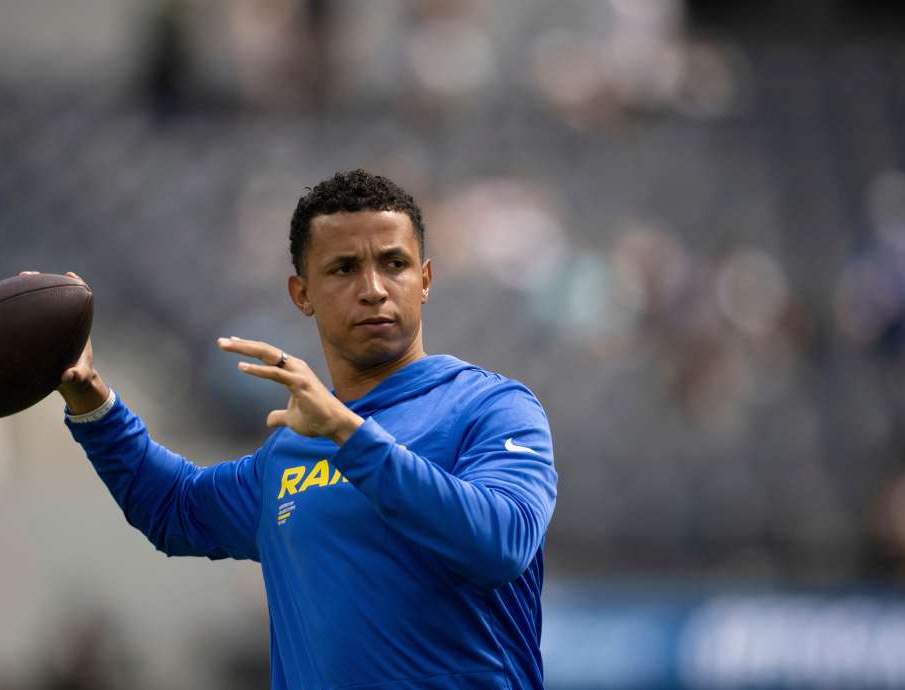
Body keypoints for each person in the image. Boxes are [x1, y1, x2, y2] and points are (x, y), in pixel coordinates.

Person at [46, 170, 558, 689]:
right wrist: (91, 401)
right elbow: (175, 509)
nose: (374, 289)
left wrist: (347, 434)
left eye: (394, 264)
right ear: (302, 293)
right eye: (344, 268)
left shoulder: (491, 408)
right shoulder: (292, 449)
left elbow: (501, 543)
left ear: (424, 280)